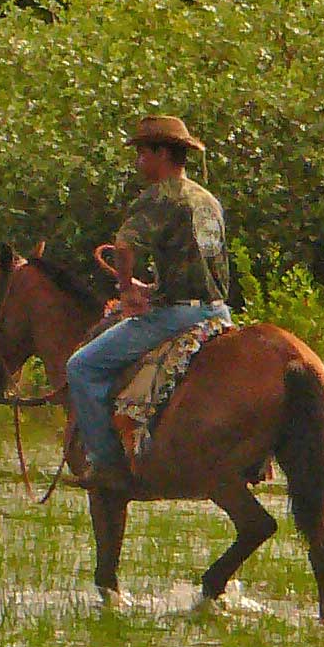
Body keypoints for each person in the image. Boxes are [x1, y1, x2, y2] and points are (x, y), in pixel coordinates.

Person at [67, 114, 231, 491]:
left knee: (82, 366)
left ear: (161, 153)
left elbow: (124, 246)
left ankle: (106, 465)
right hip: (218, 310)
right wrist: (155, 286)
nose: (139, 162)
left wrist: (126, 288)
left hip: (178, 315)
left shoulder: (160, 197)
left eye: (142, 153)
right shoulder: (208, 200)